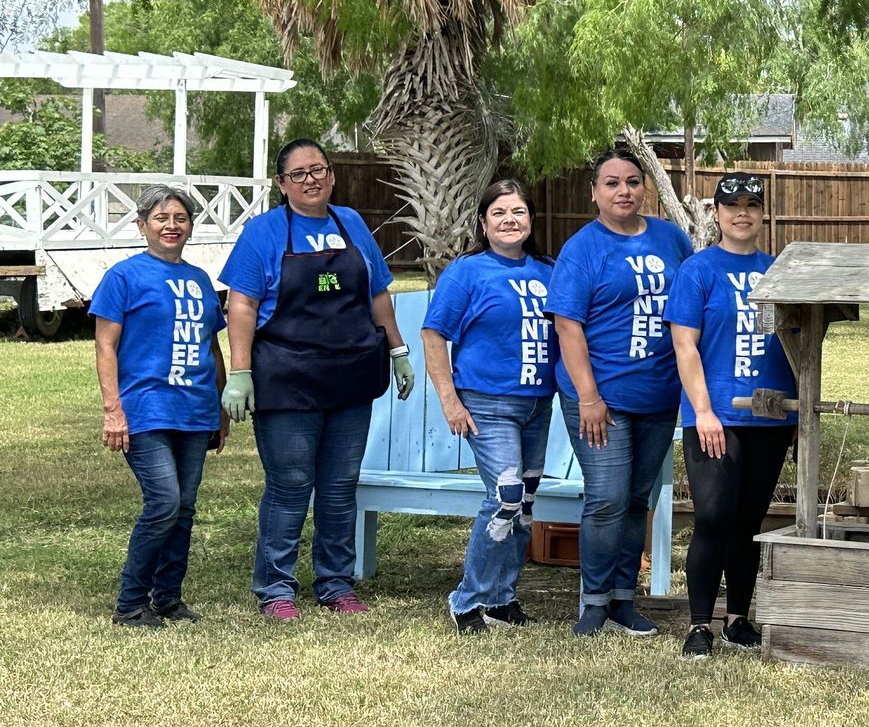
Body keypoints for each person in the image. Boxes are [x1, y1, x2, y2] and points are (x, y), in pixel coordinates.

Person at [220, 140, 412, 621]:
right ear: (281, 184)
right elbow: (241, 304)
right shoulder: (263, 233)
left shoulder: (351, 223)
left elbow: (378, 294)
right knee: (289, 485)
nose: (311, 179)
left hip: (349, 377)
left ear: (331, 174)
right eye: (299, 173)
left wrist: (399, 351)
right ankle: (276, 588)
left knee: (339, 486)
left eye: (319, 169)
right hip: (287, 379)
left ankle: (335, 584)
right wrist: (239, 372)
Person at [547, 147, 694, 636]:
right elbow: (568, 327)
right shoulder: (582, 249)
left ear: (645, 188)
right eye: (611, 183)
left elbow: (692, 305)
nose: (623, 191)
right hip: (599, 398)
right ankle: (593, 602)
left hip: (658, 394)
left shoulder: (672, 239)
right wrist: (589, 397)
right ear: (594, 192)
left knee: (636, 500)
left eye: (632, 181)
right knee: (607, 497)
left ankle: (623, 600)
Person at [666, 172, 798, 659]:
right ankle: (700, 623)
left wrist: (800, 411)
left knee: (749, 521)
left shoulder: (782, 270)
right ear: (716, 214)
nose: (742, 212)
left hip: (772, 414)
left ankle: (738, 619)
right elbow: (685, 346)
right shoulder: (698, 270)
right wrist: (703, 411)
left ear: (764, 214)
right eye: (731, 205)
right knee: (714, 515)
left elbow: (800, 345)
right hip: (715, 414)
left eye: (752, 204)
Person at [91, 185, 229, 628]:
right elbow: (105, 346)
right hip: (145, 409)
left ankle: (167, 597)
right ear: (142, 225)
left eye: (180, 218)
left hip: (195, 409)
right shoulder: (124, 277)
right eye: (161, 218)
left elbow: (213, 346)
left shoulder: (202, 280)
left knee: (184, 507)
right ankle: (131, 602)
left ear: (190, 226)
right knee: (164, 502)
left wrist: (222, 407)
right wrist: (113, 409)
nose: (172, 225)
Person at [422, 179, 556, 633]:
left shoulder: (548, 271)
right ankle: (466, 600)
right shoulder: (468, 272)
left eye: (518, 212)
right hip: (488, 402)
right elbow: (433, 334)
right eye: (499, 213)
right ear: (484, 222)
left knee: (527, 503)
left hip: (538, 403)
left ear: (531, 221)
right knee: (505, 497)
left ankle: (502, 598)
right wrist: (449, 400)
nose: (509, 220)